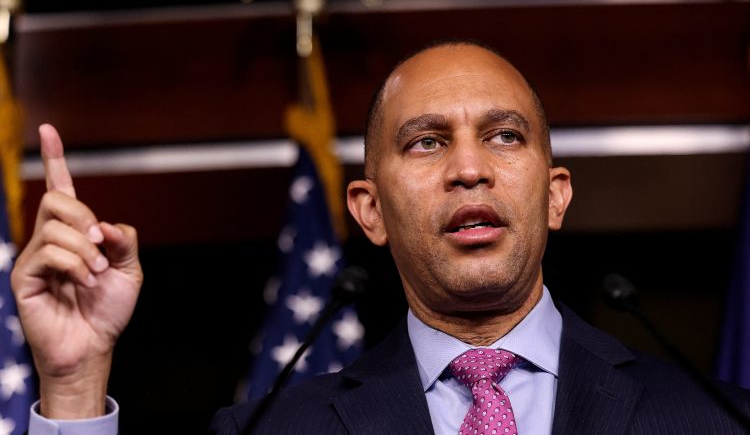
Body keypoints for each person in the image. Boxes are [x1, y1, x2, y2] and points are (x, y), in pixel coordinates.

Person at [11, 40, 750, 434]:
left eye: (504, 135)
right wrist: (74, 384)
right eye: (427, 143)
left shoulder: (715, 420)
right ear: (367, 210)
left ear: (555, 194)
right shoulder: (269, 431)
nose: (469, 168)